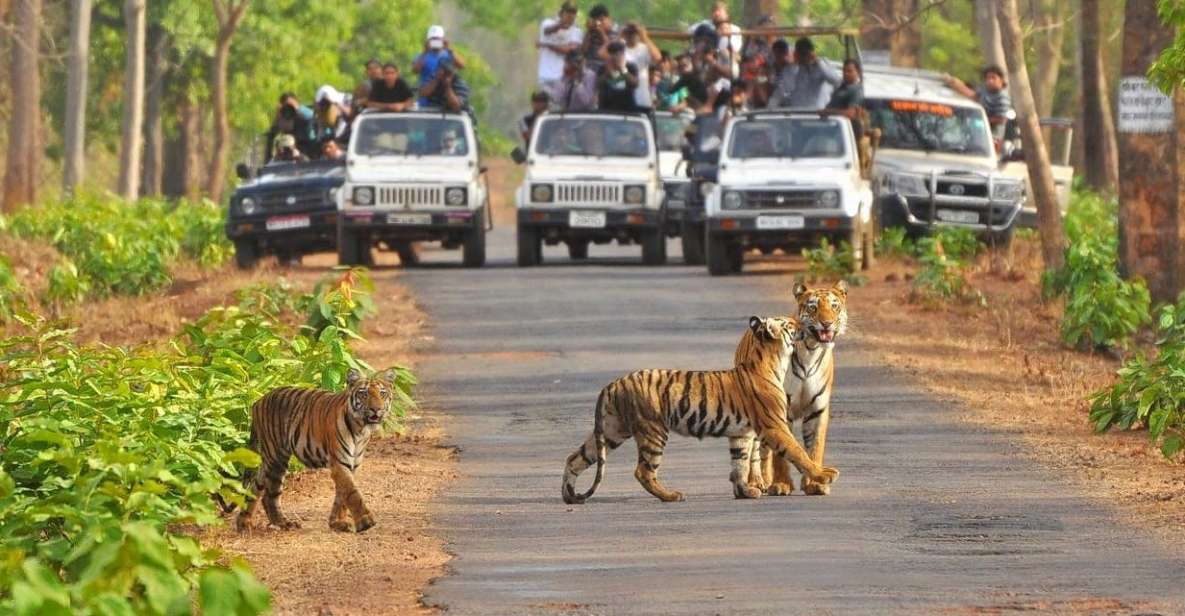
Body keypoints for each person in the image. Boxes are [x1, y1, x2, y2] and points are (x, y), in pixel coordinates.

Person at [768, 37, 841, 109]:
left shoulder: (822, 66)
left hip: (819, 114)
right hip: (797, 114)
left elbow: (836, 81)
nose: (803, 57)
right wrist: (770, 108)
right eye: (801, 53)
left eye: (805, 53)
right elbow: (781, 91)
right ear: (795, 54)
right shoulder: (791, 70)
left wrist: (818, 63)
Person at [414, 25, 466, 107]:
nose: (435, 43)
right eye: (432, 40)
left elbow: (462, 65)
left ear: (443, 40)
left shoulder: (449, 55)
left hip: (446, 95)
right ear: (428, 41)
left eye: (438, 40)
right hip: (426, 97)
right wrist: (425, 51)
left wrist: (449, 49)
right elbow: (415, 70)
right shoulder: (421, 56)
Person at [537, 2, 583, 90]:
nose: (570, 16)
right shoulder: (547, 23)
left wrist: (546, 45)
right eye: (568, 13)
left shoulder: (576, 31)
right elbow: (547, 31)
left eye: (573, 13)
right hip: (545, 75)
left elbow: (569, 50)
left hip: (562, 77)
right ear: (561, 13)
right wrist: (561, 25)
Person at [943, 65, 1012, 122]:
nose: (990, 81)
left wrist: (980, 119)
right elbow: (973, 95)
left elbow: (1001, 119)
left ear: (1001, 80)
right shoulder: (985, 90)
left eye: (993, 78)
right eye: (988, 78)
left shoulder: (1003, 97)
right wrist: (955, 83)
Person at [619, 23, 661, 110]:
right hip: (621, 97)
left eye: (634, 32)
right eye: (629, 32)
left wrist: (644, 35)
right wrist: (620, 35)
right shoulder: (619, 48)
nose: (631, 35)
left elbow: (657, 57)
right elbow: (602, 54)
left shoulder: (644, 48)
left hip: (641, 97)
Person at [267, 92, 316, 162]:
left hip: (310, 159)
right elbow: (272, 132)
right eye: (286, 109)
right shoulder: (285, 125)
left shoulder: (308, 120)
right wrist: (278, 117)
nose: (289, 110)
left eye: (291, 107)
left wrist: (298, 109)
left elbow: (313, 117)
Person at [598, 41, 640, 112]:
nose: (616, 57)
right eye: (613, 54)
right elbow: (599, 84)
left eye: (618, 54)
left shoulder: (631, 66)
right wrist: (608, 73)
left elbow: (635, 84)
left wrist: (623, 70)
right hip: (607, 107)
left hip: (627, 107)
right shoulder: (603, 67)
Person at [581, 4, 617, 73]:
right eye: (596, 20)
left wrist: (600, 32)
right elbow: (583, 51)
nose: (599, 23)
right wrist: (589, 31)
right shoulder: (591, 32)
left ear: (608, 19)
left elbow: (611, 48)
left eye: (601, 20)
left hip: (606, 70)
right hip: (590, 69)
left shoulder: (613, 33)